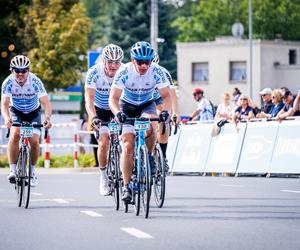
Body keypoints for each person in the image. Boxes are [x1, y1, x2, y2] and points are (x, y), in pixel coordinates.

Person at [109, 41, 171, 202]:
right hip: (126, 106)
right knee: (128, 145)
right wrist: (117, 113)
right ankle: (127, 186)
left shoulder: (157, 71)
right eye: (140, 62)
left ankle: (149, 155)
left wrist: (165, 112)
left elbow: (166, 96)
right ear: (132, 60)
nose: (144, 66)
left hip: (146, 104)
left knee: (152, 124)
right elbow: (113, 98)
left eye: (147, 62)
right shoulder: (124, 71)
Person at [1, 55, 52, 187]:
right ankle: (12, 169)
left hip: (33, 112)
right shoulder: (8, 83)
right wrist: (7, 118)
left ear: (28, 70)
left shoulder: (35, 81)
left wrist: (47, 119)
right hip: (16, 111)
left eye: (24, 71)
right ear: (11, 70)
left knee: (34, 141)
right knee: (15, 134)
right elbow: (4, 104)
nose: (20, 74)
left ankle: (33, 172)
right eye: (17, 70)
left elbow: (46, 103)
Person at [85, 44, 124, 196]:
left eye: (117, 62)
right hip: (99, 109)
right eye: (110, 62)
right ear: (103, 61)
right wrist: (93, 117)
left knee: (127, 137)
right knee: (104, 140)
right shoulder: (94, 72)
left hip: (118, 107)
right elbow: (89, 99)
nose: (113, 66)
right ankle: (103, 177)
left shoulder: (124, 71)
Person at [152, 51, 179, 172]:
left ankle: (163, 155)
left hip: (159, 100)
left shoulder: (162, 72)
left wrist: (175, 113)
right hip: (143, 100)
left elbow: (172, 94)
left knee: (164, 120)